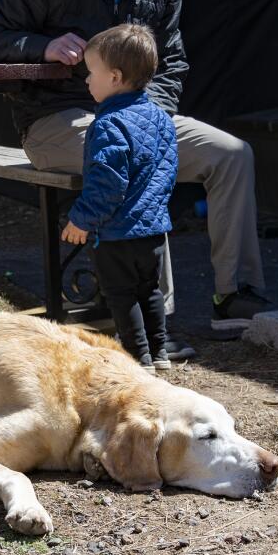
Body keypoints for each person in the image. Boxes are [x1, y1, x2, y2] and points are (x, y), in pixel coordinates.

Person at [0, 0, 268, 342]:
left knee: (231, 155)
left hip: (139, 115)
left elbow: (172, 64)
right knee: (132, 156)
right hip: (55, 121)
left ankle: (234, 295)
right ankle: (151, 323)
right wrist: (42, 46)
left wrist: (151, 114)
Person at [60, 24, 177, 371]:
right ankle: (160, 352)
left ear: (114, 76)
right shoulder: (162, 119)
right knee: (149, 291)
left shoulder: (108, 124)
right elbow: (166, 172)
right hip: (154, 231)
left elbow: (107, 184)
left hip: (117, 234)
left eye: (90, 72)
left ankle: (138, 360)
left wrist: (81, 219)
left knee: (122, 296)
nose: (86, 80)